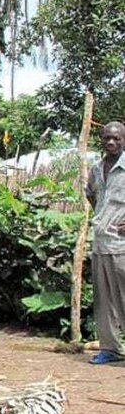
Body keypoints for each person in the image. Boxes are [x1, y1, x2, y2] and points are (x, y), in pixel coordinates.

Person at [86, 121, 125, 365]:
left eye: (116, 138)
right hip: (100, 244)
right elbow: (91, 195)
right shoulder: (96, 169)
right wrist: (104, 218)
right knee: (103, 301)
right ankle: (110, 348)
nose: (111, 142)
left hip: (122, 245)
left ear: (123, 140)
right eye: (107, 138)